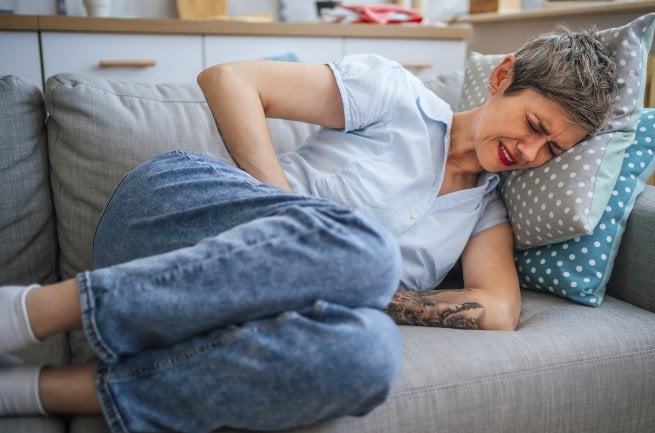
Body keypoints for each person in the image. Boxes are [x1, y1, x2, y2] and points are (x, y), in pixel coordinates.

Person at [0, 24, 616, 433]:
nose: (532, 153)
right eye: (535, 125)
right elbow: (231, 79)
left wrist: (351, 289)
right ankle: (31, 313)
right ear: (505, 76)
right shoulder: (397, 95)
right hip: (177, 213)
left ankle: (34, 391)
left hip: (238, 306)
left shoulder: (487, 212)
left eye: (552, 152)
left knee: (367, 357)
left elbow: (499, 311)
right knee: (366, 249)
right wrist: (287, 212)